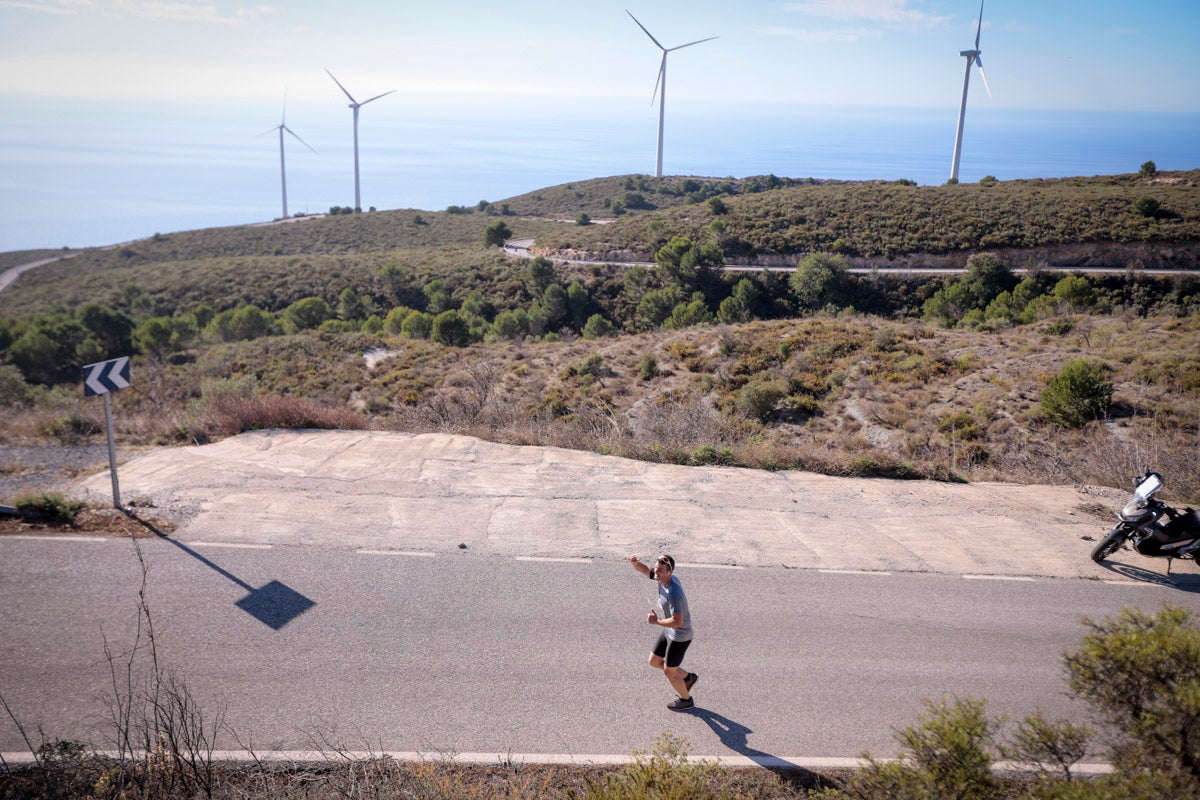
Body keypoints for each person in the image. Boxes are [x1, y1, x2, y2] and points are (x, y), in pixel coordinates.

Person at [626, 553, 697, 711]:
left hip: (680, 636)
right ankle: (687, 677)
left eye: (660, 571)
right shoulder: (662, 577)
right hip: (669, 630)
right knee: (654, 661)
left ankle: (687, 700)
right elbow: (645, 570)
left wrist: (656, 621)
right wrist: (635, 563)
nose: (656, 574)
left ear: (669, 572)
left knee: (669, 672)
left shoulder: (674, 592)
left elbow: (677, 622)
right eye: (656, 569)